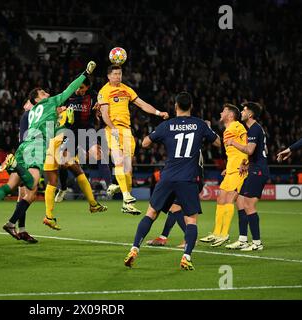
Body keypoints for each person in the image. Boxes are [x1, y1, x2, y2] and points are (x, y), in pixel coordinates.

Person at [0, 61, 97, 237]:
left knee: (18, 188)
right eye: (43, 93)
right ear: (37, 99)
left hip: (25, 146)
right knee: (33, 184)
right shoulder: (49, 102)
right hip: (36, 147)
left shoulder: (32, 113)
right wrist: (85, 73)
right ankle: (13, 164)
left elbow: (52, 131)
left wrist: (65, 122)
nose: (47, 93)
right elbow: (70, 90)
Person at [123, 92, 221, 270]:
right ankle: (186, 256)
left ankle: (134, 248)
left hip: (168, 176)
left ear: (175, 106)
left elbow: (145, 143)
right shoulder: (199, 124)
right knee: (191, 220)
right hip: (188, 178)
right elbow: (218, 143)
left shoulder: (166, 125)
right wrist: (204, 134)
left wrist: (159, 137)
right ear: (191, 106)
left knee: (151, 213)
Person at [98, 64, 169, 214]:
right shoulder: (104, 91)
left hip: (126, 131)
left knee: (128, 169)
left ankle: (126, 204)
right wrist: (113, 128)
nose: (118, 76)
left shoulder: (127, 89)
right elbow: (104, 114)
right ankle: (126, 195)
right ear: (109, 76)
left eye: (120, 73)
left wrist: (158, 112)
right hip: (112, 129)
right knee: (118, 161)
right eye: (115, 74)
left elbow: (142, 104)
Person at [43, 78, 107, 230]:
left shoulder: (87, 100)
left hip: (68, 140)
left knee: (77, 170)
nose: (78, 91)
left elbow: (89, 122)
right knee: (53, 179)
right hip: (57, 143)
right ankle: (49, 215)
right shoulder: (61, 104)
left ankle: (92, 204)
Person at [54, 77, 112, 203]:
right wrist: (59, 110)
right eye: (77, 87)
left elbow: (103, 106)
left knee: (98, 154)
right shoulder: (67, 95)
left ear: (87, 88)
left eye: (82, 88)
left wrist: (100, 108)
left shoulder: (93, 96)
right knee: (62, 162)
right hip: (70, 132)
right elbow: (55, 110)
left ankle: (110, 185)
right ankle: (63, 188)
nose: (78, 90)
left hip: (87, 130)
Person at [199, 104, 248, 247]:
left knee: (229, 199)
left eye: (224, 111)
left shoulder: (237, 126)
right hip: (231, 168)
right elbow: (232, 152)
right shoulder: (227, 129)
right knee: (220, 197)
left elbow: (247, 145)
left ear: (231, 115)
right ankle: (216, 233)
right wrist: (227, 167)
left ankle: (224, 234)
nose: (221, 112)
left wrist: (245, 162)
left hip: (239, 168)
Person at [225, 102, 269, 251]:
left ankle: (257, 243)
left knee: (249, 205)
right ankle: (243, 239)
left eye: (244, 110)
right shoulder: (255, 129)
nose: (242, 112)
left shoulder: (254, 129)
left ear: (250, 114)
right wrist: (246, 163)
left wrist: (233, 142)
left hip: (258, 171)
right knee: (240, 201)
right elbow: (259, 151)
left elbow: (250, 150)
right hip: (254, 169)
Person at [147, 151, 204, 248]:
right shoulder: (194, 145)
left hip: (188, 180)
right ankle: (163, 237)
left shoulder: (186, 147)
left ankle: (190, 239)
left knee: (175, 208)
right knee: (173, 208)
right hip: (191, 179)